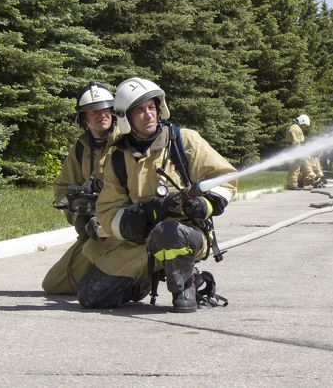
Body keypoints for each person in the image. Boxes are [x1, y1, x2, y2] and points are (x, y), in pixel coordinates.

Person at [78, 77, 236, 313]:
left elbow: (225, 179)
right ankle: (141, 279)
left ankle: (187, 283)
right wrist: (138, 217)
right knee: (91, 296)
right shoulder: (118, 157)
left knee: (169, 233)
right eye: (140, 110)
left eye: (152, 107)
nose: (149, 115)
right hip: (142, 240)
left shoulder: (184, 141)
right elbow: (108, 211)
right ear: (124, 118)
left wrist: (204, 204)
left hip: (186, 234)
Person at [43, 82, 119, 295]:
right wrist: (78, 215)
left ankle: (132, 279)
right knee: (54, 284)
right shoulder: (80, 149)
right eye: (93, 111)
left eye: (105, 109)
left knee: (109, 283)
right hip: (94, 230)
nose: (101, 115)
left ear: (113, 113)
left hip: (124, 227)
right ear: (84, 119)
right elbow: (61, 188)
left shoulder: (127, 144)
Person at [286, 114, 315, 190]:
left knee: (300, 168)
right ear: (302, 121)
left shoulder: (296, 127)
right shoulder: (294, 129)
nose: (304, 126)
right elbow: (295, 142)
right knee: (295, 169)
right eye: (304, 124)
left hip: (297, 150)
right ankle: (292, 185)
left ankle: (300, 183)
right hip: (295, 151)